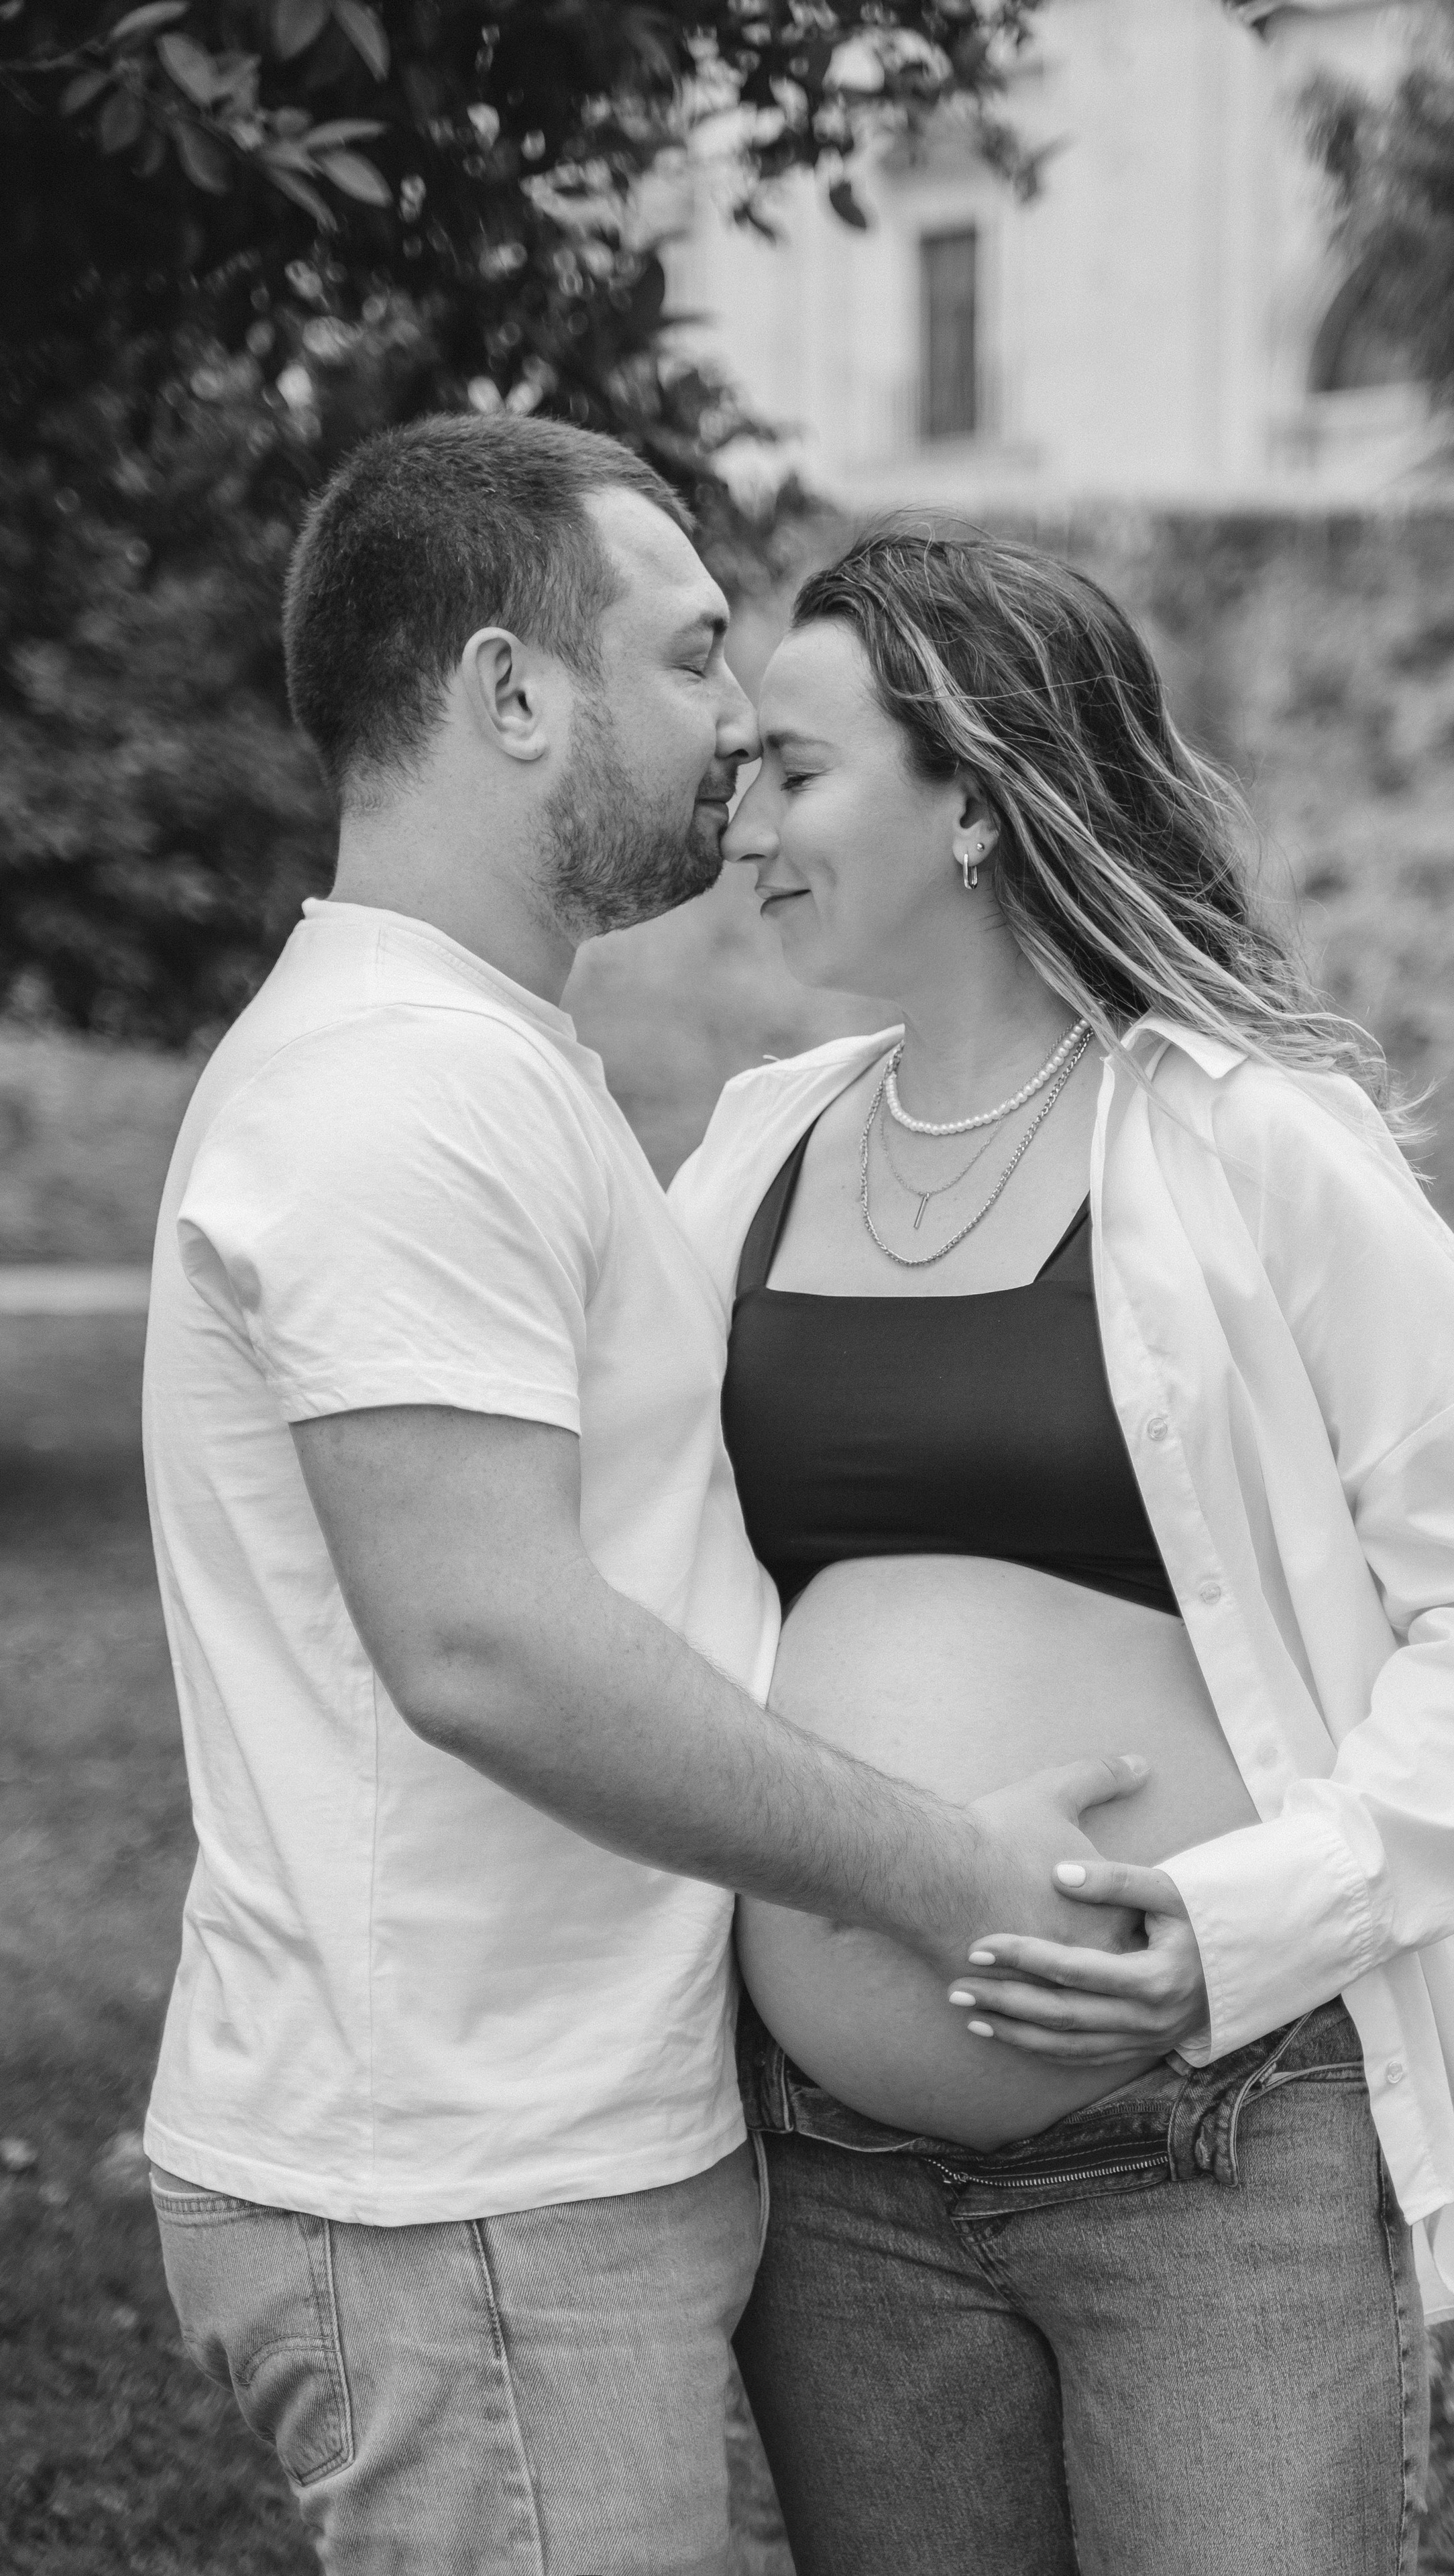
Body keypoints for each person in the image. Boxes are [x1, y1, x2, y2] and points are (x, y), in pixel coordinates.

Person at [139, 423, 1146, 2576]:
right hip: (461, 2183)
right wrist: (938, 1865)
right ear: (513, 693)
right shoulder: (400, 1095)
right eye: (692, 660)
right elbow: (484, 1640)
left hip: (521, 2164)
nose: (740, 732)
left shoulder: (488, 1061)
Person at [669, 527, 1454, 2576]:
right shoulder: (751, 1151)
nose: (737, 819)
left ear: (983, 802)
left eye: (796, 770)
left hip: (1211, 2139)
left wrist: (1241, 1925)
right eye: (741, 764)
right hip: (832, 2177)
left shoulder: (1248, 1145)